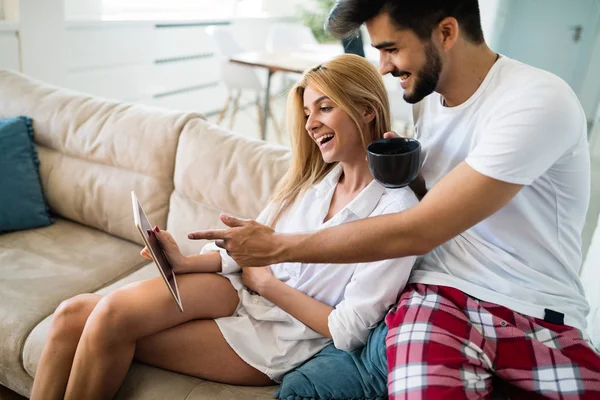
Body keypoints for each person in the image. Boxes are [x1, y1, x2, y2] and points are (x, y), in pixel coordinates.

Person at [188, 0, 600, 398]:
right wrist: (413, 176)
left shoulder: (536, 101)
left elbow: (420, 230)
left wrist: (276, 248)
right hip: (438, 294)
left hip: (535, 307)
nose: (383, 67)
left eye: (391, 49)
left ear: (446, 32)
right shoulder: (429, 104)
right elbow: (440, 207)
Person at [29, 54, 420, 400]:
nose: (311, 124)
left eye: (324, 108)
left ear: (367, 110)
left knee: (106, 320)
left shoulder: (396, 211)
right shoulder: (314, 183)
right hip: (238, 291)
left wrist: (267, 283)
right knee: (71, 313)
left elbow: (347, 330)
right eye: (306, 114)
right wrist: (182, 262)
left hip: (280, 335)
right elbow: (245, 251)